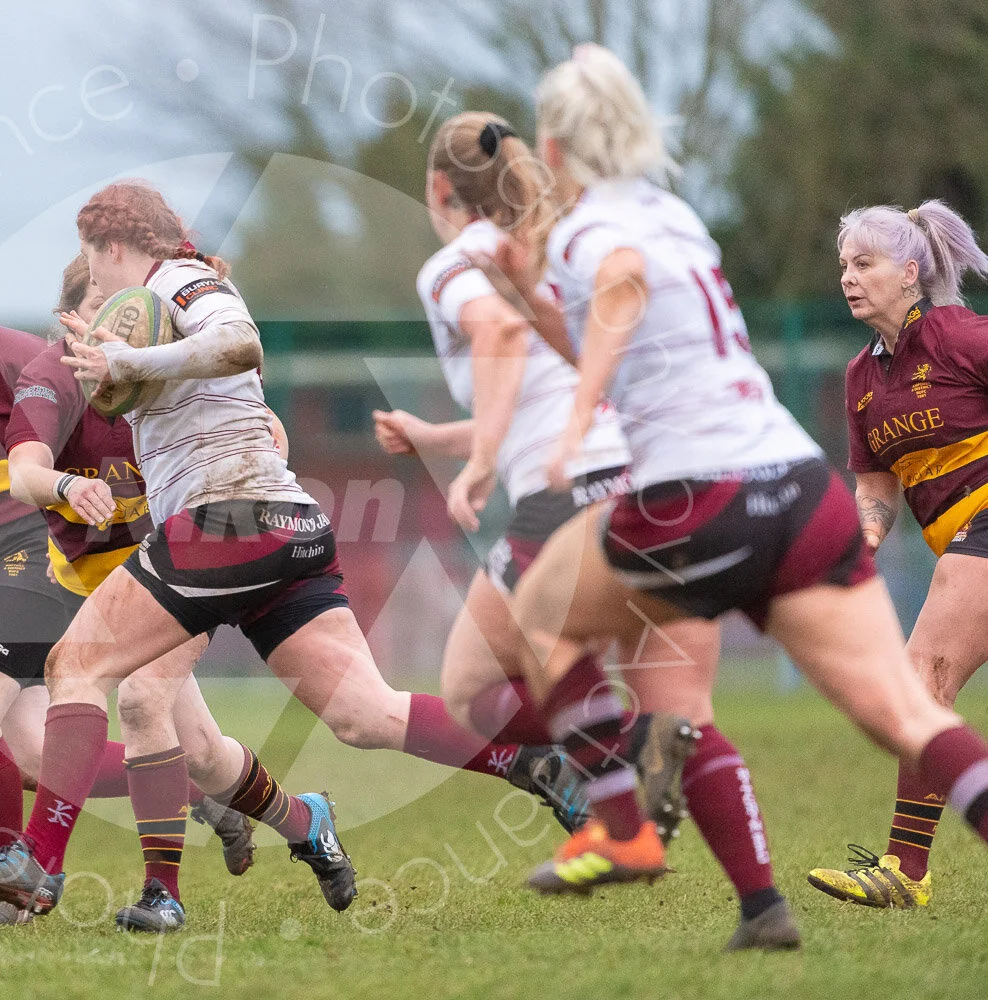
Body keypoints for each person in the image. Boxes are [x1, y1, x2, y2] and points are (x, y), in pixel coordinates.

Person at [0, 182, 604, 923]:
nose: (97, 278)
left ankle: (39, 868)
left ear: (114, 247)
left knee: (76, 666)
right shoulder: (143, 320)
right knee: (363, 714)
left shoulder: (180, 279)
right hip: (287, 525)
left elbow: (240, 341)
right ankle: (531, 758)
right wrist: (127, 368)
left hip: (229, 520)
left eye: (94, 258)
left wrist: (135, 364)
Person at [487, 44, 988, 952]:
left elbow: (622, 284)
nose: (846, 274)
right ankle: (766, 907)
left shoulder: (586, 230)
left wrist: (566, 435)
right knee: (907, 708)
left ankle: (621, 824)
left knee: (540, 616)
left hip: (696, 493)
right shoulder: (677, 212)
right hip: (800, 490)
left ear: (554, 150)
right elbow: (624, 305)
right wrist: (529, 296)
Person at [378, 109, 796, 950]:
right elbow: (550, 384)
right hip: (648, 480)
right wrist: (443, 439)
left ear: (438, 189)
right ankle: (764, 908)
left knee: (469, 685)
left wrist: (481, 460)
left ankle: (612, 780)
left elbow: (497, 336)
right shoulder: (559, 246)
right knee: (681, 713)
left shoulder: (459, 261)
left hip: (566, 496)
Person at [0, 226, 248, 927]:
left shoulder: (17, 358)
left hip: (27, 558)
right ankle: (187, 784)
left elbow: (108, 414)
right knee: (27, 754)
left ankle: (8, 889)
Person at [0, 254, 323, 931]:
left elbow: (258, 436)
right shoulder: (52, 378)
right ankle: (303, 819)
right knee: (200, 753)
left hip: (180, 565)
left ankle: (156, 894)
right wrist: (64, 486)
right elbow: (21, 473)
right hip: (93, 584)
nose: (117, 325)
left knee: (145, 702)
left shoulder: (169, 370)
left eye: (127, 307)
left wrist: (261, 449)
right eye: (101, 309)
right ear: (73, 322)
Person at [806, 200, 988, 909]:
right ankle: (905, 873)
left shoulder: (959, 336)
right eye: (844, 266)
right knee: (921, 694)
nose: (849, 278)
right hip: (965, 544)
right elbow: (876, 483)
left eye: (865, 263)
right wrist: (867, 536)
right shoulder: (861, 378)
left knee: (919, 686)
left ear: (910, 272)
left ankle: (905, 872)